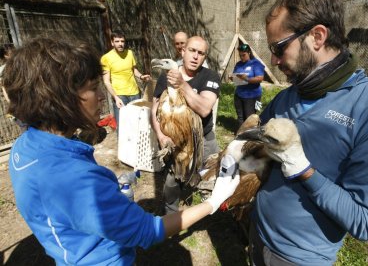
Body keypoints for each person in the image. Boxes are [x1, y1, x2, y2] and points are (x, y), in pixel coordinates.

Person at [3, 37, 240, 265]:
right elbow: (147, 231)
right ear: (62, 99)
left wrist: (107, 191)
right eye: (93, 88)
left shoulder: (25, 147)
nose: (101, 97)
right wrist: (213, 202)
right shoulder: (72, 178)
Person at [248, 0, 368, 265]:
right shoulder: (287, 96)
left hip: (299, 258)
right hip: (257, 232)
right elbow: (258, 155)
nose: (274, 61)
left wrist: (305, 172)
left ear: (317, 36)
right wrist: (237, 158)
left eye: (279, 47)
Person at [151, 36, 221, 214]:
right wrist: (160, 135)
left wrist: (182, 84)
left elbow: (204, 109)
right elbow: (155, 109)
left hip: (203, 139)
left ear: (205, 57)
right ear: (182, 51)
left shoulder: (210, 76)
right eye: (192, 51)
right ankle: (171, 218)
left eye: (201, 53)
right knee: (171, 183)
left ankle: (209, 213)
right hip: (174, 141)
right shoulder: (165, 77)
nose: (196, 56)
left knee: (210, 178)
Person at [101, 30, 151, 130]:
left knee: (138, 123)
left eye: (122, 41)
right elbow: (106, 81)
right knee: (123, 127)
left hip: (135, 94)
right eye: (117, 41)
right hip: (120, 96)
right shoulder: (106, 58)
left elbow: (134, 70)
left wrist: (141, 76)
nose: (120, 44)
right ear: (112, 42)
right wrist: (116, 97)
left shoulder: (130, 53)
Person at [230, 43, 265, 130]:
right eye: (240, 55)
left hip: (253, 96)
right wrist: (232, 78)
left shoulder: (256, 63)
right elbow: (236, 78)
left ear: (249, 53)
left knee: (250, 117)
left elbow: (260, 78)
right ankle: (240, 133)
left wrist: (247, 79)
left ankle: (251, 135)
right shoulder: (238, 64)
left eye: (244, 55)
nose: (242, 57)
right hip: (239, 94)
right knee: (240, 116)